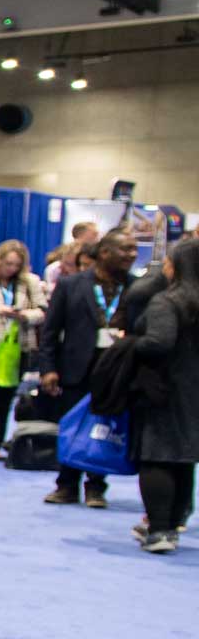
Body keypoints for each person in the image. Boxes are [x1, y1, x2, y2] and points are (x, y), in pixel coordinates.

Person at [37, 229, 139, 509]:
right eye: (125, 249)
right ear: (104, 253)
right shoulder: (71, 285)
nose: (132, 255)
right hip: (75, 369)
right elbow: (50, 331)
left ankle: (96, 486)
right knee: (71, 427)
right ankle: (65, 484)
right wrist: (47, 368)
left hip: (116, 372)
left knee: (105, 429)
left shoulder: (137, 287)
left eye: (133, 249)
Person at [130, 236, 199, 553]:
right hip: (193, 392)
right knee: (184, 458)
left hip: (167, 390)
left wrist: (130, 344)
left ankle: (159, 529)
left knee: (157, 456)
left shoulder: (167, 302)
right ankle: (172, 525)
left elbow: (159, 342)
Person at [0, 240, 47, 459]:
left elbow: (42, 311)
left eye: (16, 265)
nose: (11, 269)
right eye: (8, 263)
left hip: (17, 347)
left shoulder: (30, 283)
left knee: (4, 400)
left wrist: (22, 315)